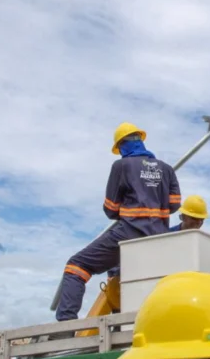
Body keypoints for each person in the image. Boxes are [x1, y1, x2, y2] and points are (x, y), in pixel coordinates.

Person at [55, 122, 181, 322]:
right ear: (140, 141)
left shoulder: (121, 166)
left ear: (122, 145)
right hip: (158, 236)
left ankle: (65, 324)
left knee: (76, 265)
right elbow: (174, 204)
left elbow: (111, 208)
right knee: (120, 272)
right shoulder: (166, 169)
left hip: (129, 231)